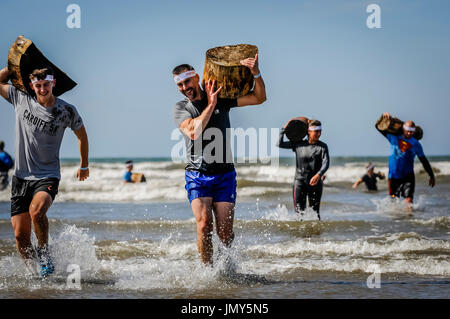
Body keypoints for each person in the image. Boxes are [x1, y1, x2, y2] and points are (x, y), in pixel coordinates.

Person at [172, 54, 266, 266]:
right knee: (205, 225)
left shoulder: (221, 97)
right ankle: (207, 271)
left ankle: (226, 269)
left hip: (225, 174)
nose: (184, 87)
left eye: (186, 81)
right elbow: (193, 132)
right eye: (179, 84)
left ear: (196, 77)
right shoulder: (181, 108)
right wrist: (211, 104)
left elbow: (258, 98)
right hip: (197, 174)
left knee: (225, 233)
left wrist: (256, 73)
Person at [0, 66, 89, 277]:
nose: (42, 89)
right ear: (32, 85)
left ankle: (44, 252)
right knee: (20, 236)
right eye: (38, 86)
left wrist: (84, 165)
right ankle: (35, 275)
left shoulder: (66, 110)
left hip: (47, 175)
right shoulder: (21, 98)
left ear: (53, 84)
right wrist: (15, 65)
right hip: (20, 177)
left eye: (46, 85)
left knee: (37, 212)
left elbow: (82, 136)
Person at [376, 112, 435, 212]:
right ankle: (398, 225)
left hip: (408, 176)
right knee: (393, 201)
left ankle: (410, 222)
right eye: (408, 131)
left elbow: (423, 160)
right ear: (403, 129)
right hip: (393, 176)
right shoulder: (393, 137)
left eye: (411, 131)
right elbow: (378, 127)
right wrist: (383, 116)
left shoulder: (416, 144)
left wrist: (431, 175)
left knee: (408, 200)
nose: (409, 133)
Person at [277, 120, 329, 220]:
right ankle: (300, 235)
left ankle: (316, 235)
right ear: (309, 131)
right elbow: (279, 143)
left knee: (315, 214)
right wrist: (284, 129)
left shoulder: (322, 147)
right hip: (299, 183)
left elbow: (326, 163)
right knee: (299, 214)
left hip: (316, 184)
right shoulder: (298, 144)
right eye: (316, 131)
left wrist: (319, 175)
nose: (319, 134)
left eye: (320, 131)